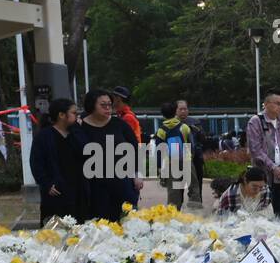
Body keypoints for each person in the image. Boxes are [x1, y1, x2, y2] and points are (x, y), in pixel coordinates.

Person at [75, 88, 140, 222]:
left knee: (126, 221)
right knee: (99, 223)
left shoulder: (120, 125)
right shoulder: (80, 128)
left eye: (109, 104)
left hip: (122, 181)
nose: (108, 108)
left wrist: (137, 174)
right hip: (94, 184)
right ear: (92, 105)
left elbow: (134, 149)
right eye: (103, 105)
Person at [29, 97, 85, 224]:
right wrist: (46, 183)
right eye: (74, 113)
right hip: (56, 190)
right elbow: (36, 162)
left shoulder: (76, 132)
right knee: (55, 230)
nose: (77, 116)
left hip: (77, 190)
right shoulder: (44, 136)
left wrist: (76, 128)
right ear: (61, 115)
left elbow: (85, 151)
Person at [245, 91, 280, 217]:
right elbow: (256, 150)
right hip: (264, 175)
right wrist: (273, 168)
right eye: (278, 103)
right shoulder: (256, 121)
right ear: (266, 104)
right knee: (263, 211)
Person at [155, 101, 194, 209]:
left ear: (163, 115)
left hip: (171, 164)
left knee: (173, 191)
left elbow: (159, 151)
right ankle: (195, 209)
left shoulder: (161, 131)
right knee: (193, 186)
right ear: (175, 112)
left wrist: (159, 167)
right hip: (186, 161)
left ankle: (173, 214)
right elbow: (191, 144)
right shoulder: (184, 127)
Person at [176, 99, 206, 205]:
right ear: (176, 110)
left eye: (185, 109)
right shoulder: (172, 123)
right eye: (181, 109)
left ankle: (196, 206)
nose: (183, 111)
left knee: (196, 183)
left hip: (195, 157)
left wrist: (198, 131)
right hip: (178, 157)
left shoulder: (195, 122)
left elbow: (203, 139)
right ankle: (176, 207)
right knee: (178, 185)